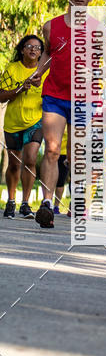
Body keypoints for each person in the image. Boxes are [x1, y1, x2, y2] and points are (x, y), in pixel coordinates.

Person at [31, 0, 106, 228]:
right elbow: (48, 53)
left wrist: (94, 73)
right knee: (52, 149)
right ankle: (47, 204)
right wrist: (39, 72)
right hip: (55, 95)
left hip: (84, 99)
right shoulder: (51, 26)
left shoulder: (98, 29)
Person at [0, 35, 47, 219]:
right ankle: (11, 201)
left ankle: (25, 203)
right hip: (13, 123)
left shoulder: (45, 72)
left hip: (35, 121)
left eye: (37, 48)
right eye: (29, 46)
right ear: (22, 50)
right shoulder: (12, 69)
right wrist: (21, 88)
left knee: (30, 160)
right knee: (13, 164)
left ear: (41, 53)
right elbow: (1, 95)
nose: (33, 50)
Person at [53, 131, 69, 215]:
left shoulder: (70, 122)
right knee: (49, 180)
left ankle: (56, 206)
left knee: (60, 181)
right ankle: (46, 201)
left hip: (64, 154)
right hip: (52, 152)